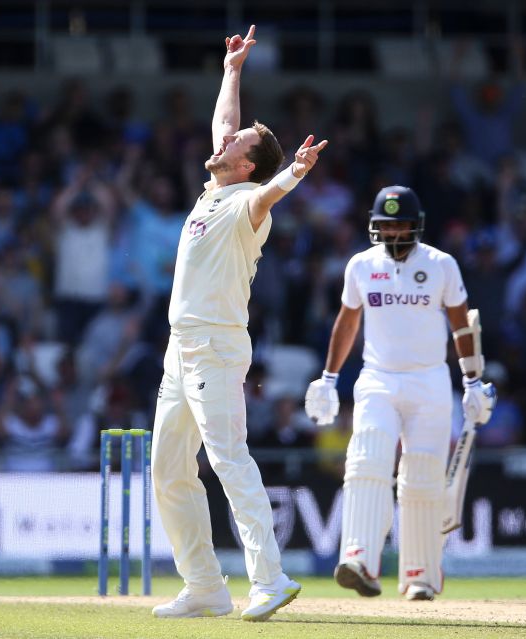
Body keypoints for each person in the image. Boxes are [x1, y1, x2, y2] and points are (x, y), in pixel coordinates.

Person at [150, 25, 327, 622]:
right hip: (180, 350)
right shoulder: (212, 188)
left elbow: (268, 196)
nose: (222, 141)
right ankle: (204, 587)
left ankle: (270, 579)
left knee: (229, 460)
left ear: (246, 164)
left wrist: (295, 172)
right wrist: (232, 70)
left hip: (216, 349)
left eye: (234, 144)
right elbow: (226, 125)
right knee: (168, 471)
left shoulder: (246, 206)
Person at [304, 185, 495, 601]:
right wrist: (329, 378)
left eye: (401, 225)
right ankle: (358, 559)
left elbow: (462, 325)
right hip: (378, 379)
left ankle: (420, 575)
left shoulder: (441, 265)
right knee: (367, 458)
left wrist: (473, 381)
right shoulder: (361, 265)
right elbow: (347, 322)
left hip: (430, 382)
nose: (393, 233)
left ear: (416, 226)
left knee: (422, 478)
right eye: (386, 226)